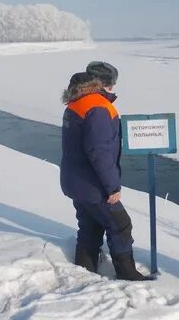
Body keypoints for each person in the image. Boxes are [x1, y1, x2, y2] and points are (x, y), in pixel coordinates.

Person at [60, 61, 147, 281]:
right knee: (120, 224)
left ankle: (85, 272)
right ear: (104, 84)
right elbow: (98, 152)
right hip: (93, 185)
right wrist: (113, 187)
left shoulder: (76, 103)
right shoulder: (98, 107)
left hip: (75, 182)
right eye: (112, 84)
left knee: (89, 226)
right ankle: (127, 274)